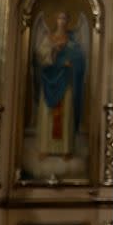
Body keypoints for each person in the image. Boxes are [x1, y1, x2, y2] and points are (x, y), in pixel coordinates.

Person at [32, 11, 87, 158]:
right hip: (50, 79)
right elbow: (41, 56)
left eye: (64, 18)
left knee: (66, 112)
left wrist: (71, 62)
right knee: (48, 114)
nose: (61, 21)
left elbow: (79, 58)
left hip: (65, 80)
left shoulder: (71, 40)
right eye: (59, 18)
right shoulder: (48, 38)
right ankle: (45, 148)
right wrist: (53, 49)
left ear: (68, 21)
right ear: (55, 20)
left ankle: (65, 149)